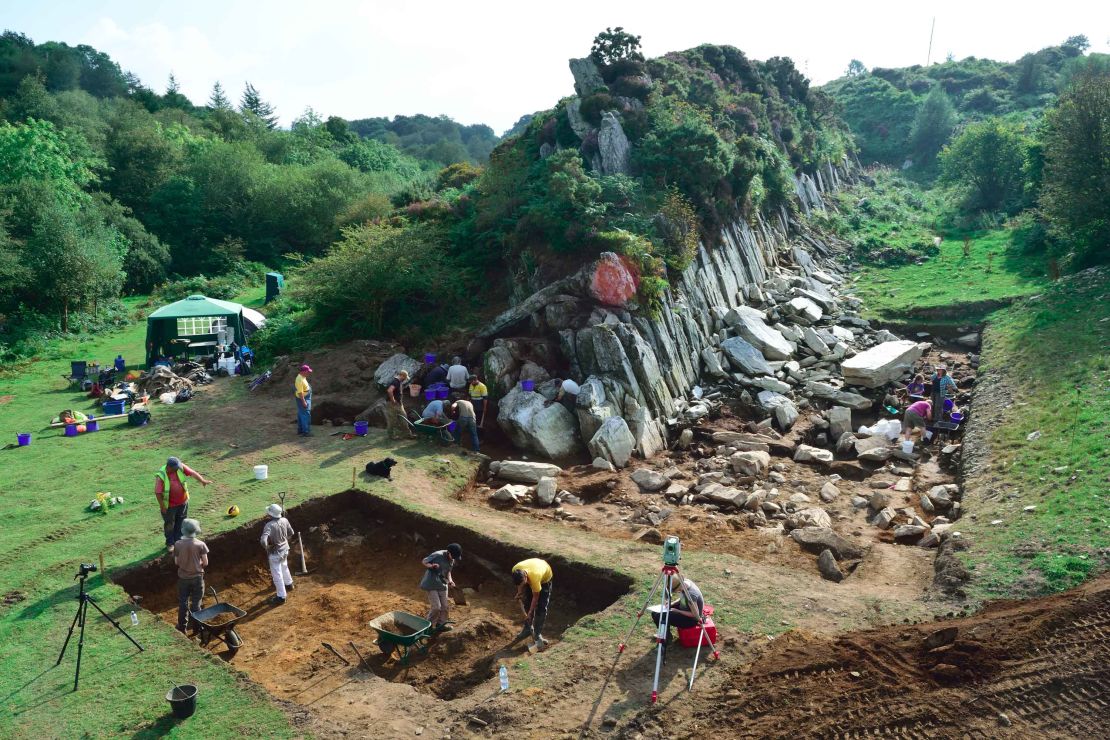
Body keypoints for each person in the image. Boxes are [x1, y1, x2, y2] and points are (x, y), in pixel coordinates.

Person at [155, 457, 211, 553]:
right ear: (169, 467)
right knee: (169, 524)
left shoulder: (179, 467)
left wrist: (202, 480)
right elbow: (158, 492)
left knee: (181, 522)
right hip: (169, 506)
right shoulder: (161, 475)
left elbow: (192, 473)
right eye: (176, 467)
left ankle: (178, 541)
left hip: (183, 502)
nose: (179, 468)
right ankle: (170, 543)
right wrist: (162, 506)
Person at [174, 518, 209, 633]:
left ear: (183, 530)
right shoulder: (201, 544)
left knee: (183, 603)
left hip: (183, 578)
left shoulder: (178, 544)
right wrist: (197, 564)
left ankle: (182, 627)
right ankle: (197, 628)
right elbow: (206, 563)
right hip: (197, 578)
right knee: (196, 604)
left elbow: (176, 562)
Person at [512, 558, 553, 652]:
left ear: (525, 576)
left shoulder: (535, 577)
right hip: (533, 568)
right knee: (527, 603)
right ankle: (527, 629)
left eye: (524, 583)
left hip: (545, 577)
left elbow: (536, 597)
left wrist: (530, 612)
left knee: (541, 607)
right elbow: (519, 584)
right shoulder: (515, 570)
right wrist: (519, 593)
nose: (523, 585)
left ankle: (537, 634)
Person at [419, 543, 463, 633]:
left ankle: (441, 625)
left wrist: (450, 580)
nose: (453, 558)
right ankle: (428, 627)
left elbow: (448, 572)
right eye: (453, 556)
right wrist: (431, 566)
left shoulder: (452, 559)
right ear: (448, 552)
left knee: (445, 607)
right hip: (431, 583)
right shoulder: (437, 555)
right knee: (436, 607)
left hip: (442, 584)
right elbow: (424, 561)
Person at [260, 503, 295, 605]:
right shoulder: (285, 520)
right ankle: (289, 584)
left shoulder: (269, 525)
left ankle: (281, 597)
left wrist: (267, 547)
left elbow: (263, 541)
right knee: (284, 566)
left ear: (270, 514)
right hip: (285, 549)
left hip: (275, 554)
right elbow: (291, 533)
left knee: (277, 576)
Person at [386, 370, 415, 439]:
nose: (405, 379)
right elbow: (389, 390)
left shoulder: (399, 382)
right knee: (392, 420)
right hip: (392, 404)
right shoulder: (395, 381)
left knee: (404, 418)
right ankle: (391, 435)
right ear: (402, 376)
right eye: (405, 377)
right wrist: (392, 400)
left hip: (399, 404)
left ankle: (407, 434)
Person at [295, 364, 313, 436]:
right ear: (303, 371)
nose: (309, 373)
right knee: (306, 414)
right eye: (307, 371)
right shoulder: (299, 379)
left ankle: (300, 430)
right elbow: (300, 392)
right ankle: (306, 432)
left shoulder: (302, 376)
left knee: (301, 414)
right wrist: (304, 402)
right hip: (303, 398)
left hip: (305, 396)